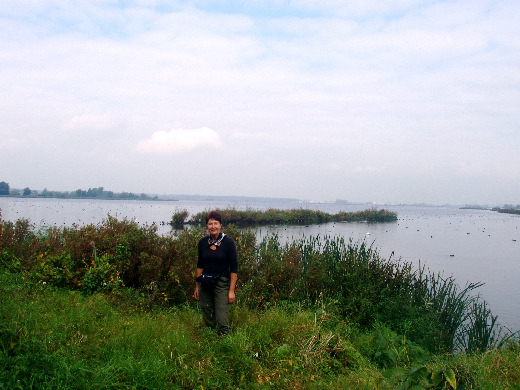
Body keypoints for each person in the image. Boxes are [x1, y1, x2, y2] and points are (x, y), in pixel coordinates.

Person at [193, 211, 238, 334]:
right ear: (207, 226)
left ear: (220, 225)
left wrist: (231, 291)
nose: (213, 226)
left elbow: (234, 268)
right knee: (207, 313)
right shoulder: (202, 242)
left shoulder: (228, 242)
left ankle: (226, 342)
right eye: (210, 224)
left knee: (222, 317)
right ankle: (211, 339)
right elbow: (200, 265)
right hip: (205, 281)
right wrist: (197, 287)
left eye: (215, 223)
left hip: (222, 282)